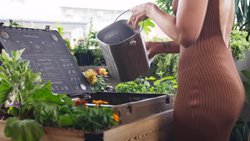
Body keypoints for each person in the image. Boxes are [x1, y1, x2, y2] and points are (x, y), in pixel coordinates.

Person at [127, 0, 245, 140]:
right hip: (222, 84)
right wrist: (160, 46)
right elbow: (207, 35)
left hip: (203, 90)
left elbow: (186, 33)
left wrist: (149, 9)